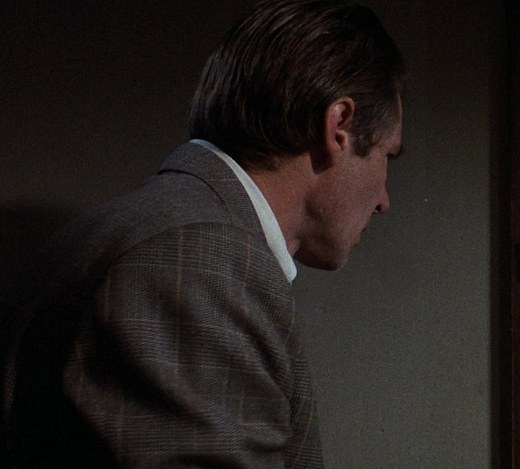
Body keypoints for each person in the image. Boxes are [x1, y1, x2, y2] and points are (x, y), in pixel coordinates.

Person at [1, 0, 404, 467]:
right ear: (339, 127)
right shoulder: (199, 257)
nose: (384, 200)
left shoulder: (156, 232)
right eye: (388, 156)